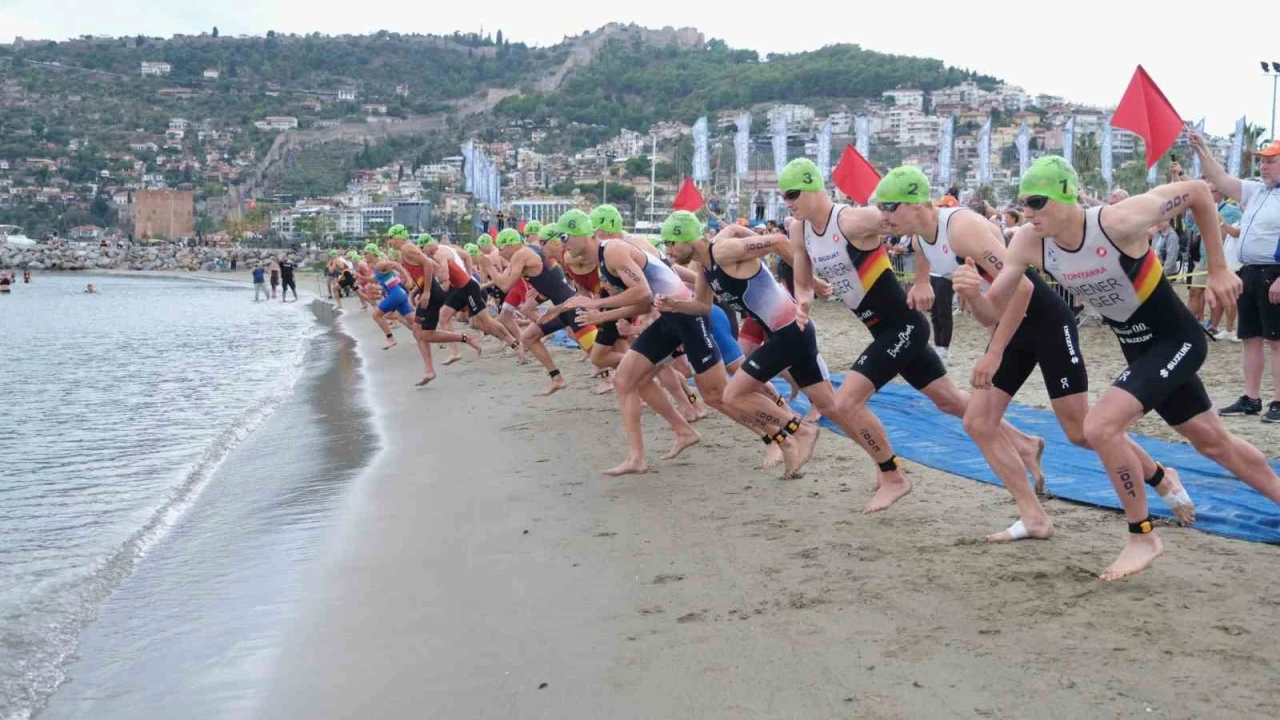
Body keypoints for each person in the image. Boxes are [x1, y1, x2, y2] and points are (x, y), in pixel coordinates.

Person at [986, 154, 1280, 580]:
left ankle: (1142, 534)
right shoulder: (1028, 242)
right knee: (1215, 444)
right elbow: (992, 308)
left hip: (1176, 340)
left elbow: (1198, 192)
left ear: (1066, 196)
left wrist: (1217, 268)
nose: (1026, 213)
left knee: (1100, 427)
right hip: (1139, 351)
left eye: (1036, 202)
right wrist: (971, 294)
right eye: (1022, 204)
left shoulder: (1117, 221)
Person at [877, 164, 1192, 543]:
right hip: (1008, 329)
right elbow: (932, 259)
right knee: (978, 422)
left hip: (1043, 322)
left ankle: (1160, 476)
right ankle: (1034, 517)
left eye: (889, 206)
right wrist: (925, 281)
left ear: (917, 204)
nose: (883, 216)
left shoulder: (961, 228)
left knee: (1079, 432)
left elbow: (1023, 290)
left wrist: (993, 353)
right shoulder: (918, 236)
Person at [783, 158, 1044, 512]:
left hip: (903, 325)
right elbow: (802, 270)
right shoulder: (800, 230)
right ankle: (1024, 442)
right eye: (784, 196)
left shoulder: (851, 220)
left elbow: (924, 226)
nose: (788, 202)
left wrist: (922, 280)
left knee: (844, 403)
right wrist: (803, 300)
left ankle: (892, 475)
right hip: (880, 329)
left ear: (814, 188)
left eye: (793, 193)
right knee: (950, 401)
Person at [562, 209, 819, 478]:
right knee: (626, 379)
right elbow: (649, 297)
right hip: (674, 314)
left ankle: (783, 436)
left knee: (722, 393)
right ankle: (646, 452)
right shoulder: (698, 263)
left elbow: (644, 293)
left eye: (566, 236)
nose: (563, 243)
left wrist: (811, 285)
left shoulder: (617, 249)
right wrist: (603, 313)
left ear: (591, 232)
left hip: (696, 319)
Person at [1190, 132, 1280, 421]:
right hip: (1250, 271)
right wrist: (1202, 149)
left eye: (1271, 161)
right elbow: (1220, 178)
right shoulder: (1256, 190)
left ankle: (1279, 401)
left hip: (1274, 273)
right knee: (1250, 337)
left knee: (1277, 341)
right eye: (1263, 161)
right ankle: (1251, 398)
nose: (1263, 166)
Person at [479, 226, 601, 396]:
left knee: (599, 355)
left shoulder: (521, 254)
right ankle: (557, 379)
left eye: (501, 249)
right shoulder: (531, 250)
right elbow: (553, 276)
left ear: (511, 245)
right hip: (559, 308)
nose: (500, 254)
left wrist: (489, 267)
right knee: (528, 337)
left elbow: (506, 285)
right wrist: (540, 293)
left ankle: (616, 377)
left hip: (570, 307)